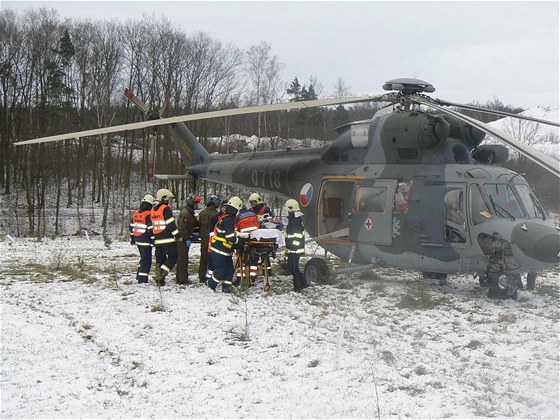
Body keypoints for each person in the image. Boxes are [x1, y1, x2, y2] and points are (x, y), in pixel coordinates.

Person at [208, 196, 243, 293]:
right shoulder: (229, 220)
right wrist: (238, 242)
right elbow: (230, 237)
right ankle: (210, 285)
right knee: (221, 270)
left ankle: (226, 288)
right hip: (220, 250)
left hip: (224, 250)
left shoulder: (227, 218)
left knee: (229, 270)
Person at [151, 188, 180, 286]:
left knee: (160, 260)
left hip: (157, 240)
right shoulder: (165, 209)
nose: (169, 202)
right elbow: (171, 224)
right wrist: (178, 236)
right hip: (167, 239)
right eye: (168, 199)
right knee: (174, 256)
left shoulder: (154, 210)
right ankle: (161, 274)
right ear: (164, 198)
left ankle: (160, 281)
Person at [129, 194, 155, 284]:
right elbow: (150, 229)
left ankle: (139, 275)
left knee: (142, 259)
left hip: (137, 239)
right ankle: (142, 279)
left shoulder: (136, 213)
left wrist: (132, 238)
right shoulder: (148, 214)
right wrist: (153, 239)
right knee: (146, 260)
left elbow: (131, 226)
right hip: (146, 241)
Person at [285, 198, 309, 292]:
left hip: (295, 249)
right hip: (293, 249)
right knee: (292, 268)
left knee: (294, 269)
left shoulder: (295, 220)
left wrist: (293, 248)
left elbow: (297, 236)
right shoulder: (294, 219)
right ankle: (303, 283)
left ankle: (297, 287)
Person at [176, 194, 200, 284]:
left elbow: (193, 223)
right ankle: (182, 279)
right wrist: (186, 238)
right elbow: (182, 228)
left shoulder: (189, 212)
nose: (197, 206)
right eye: (196, 204)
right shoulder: (186, 213)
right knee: (183, 259)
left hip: (183, 238)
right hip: (183, 239)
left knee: (182, 259)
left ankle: (180, 278)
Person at [249, 192, 274, 277]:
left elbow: (271, 220)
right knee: (254, 256)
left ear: (258, 201)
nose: (253, 204)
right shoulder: (250, 211)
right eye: (251, 202)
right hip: (255, 235)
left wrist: (264, 220)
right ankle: (252, 275)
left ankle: (267, 273)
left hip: (264, 235)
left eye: (254, 202)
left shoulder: (265, 209)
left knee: (265, 255)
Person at [235, 205, 260, 285]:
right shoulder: (253, 214)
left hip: (244, 240)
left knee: (242, 259)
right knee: (254, 259)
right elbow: (258, 225)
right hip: (255, 239)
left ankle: (240, 277)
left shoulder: (238, 217)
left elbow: (236, 230)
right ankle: (252, 278)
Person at [198, 195, 220, 283]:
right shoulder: (216, 215)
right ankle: (212, 275)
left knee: (203, 257)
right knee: (212, 258)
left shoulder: (202, 213)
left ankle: (201, 276)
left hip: (203, 238)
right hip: (213, 238)